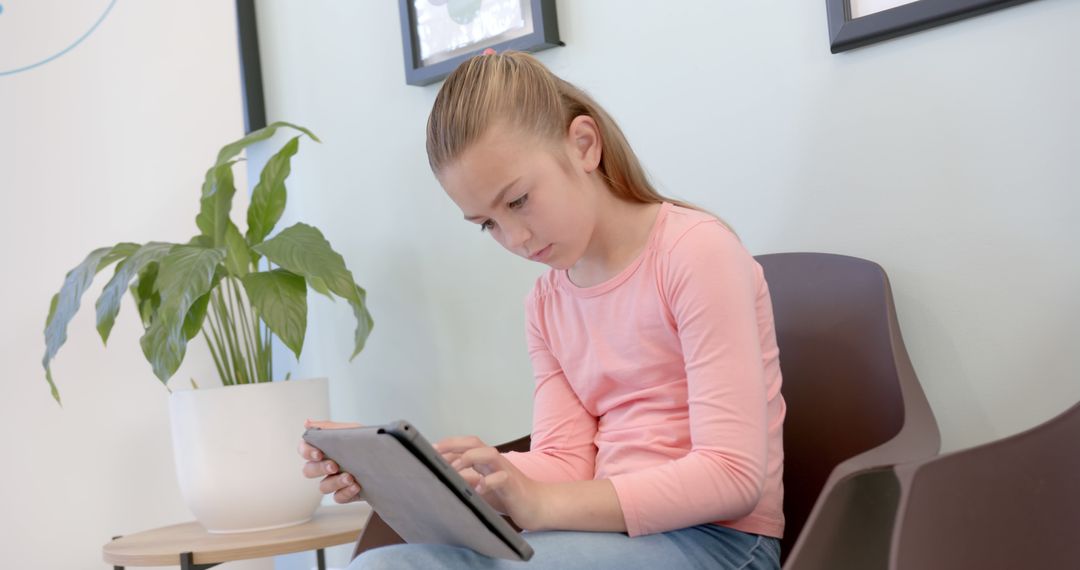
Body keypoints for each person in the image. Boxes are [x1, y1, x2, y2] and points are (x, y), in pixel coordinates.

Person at [299, 51, 786, 569]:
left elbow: (732, 476)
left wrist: (539, 502)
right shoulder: (546, 304)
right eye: (486, 223)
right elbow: (565, 462)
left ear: (583, 145)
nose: (516, 239)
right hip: (607, 540)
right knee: (380, 566)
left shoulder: (696, 253)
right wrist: (456, 479)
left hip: (720, 542)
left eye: (518, 201)